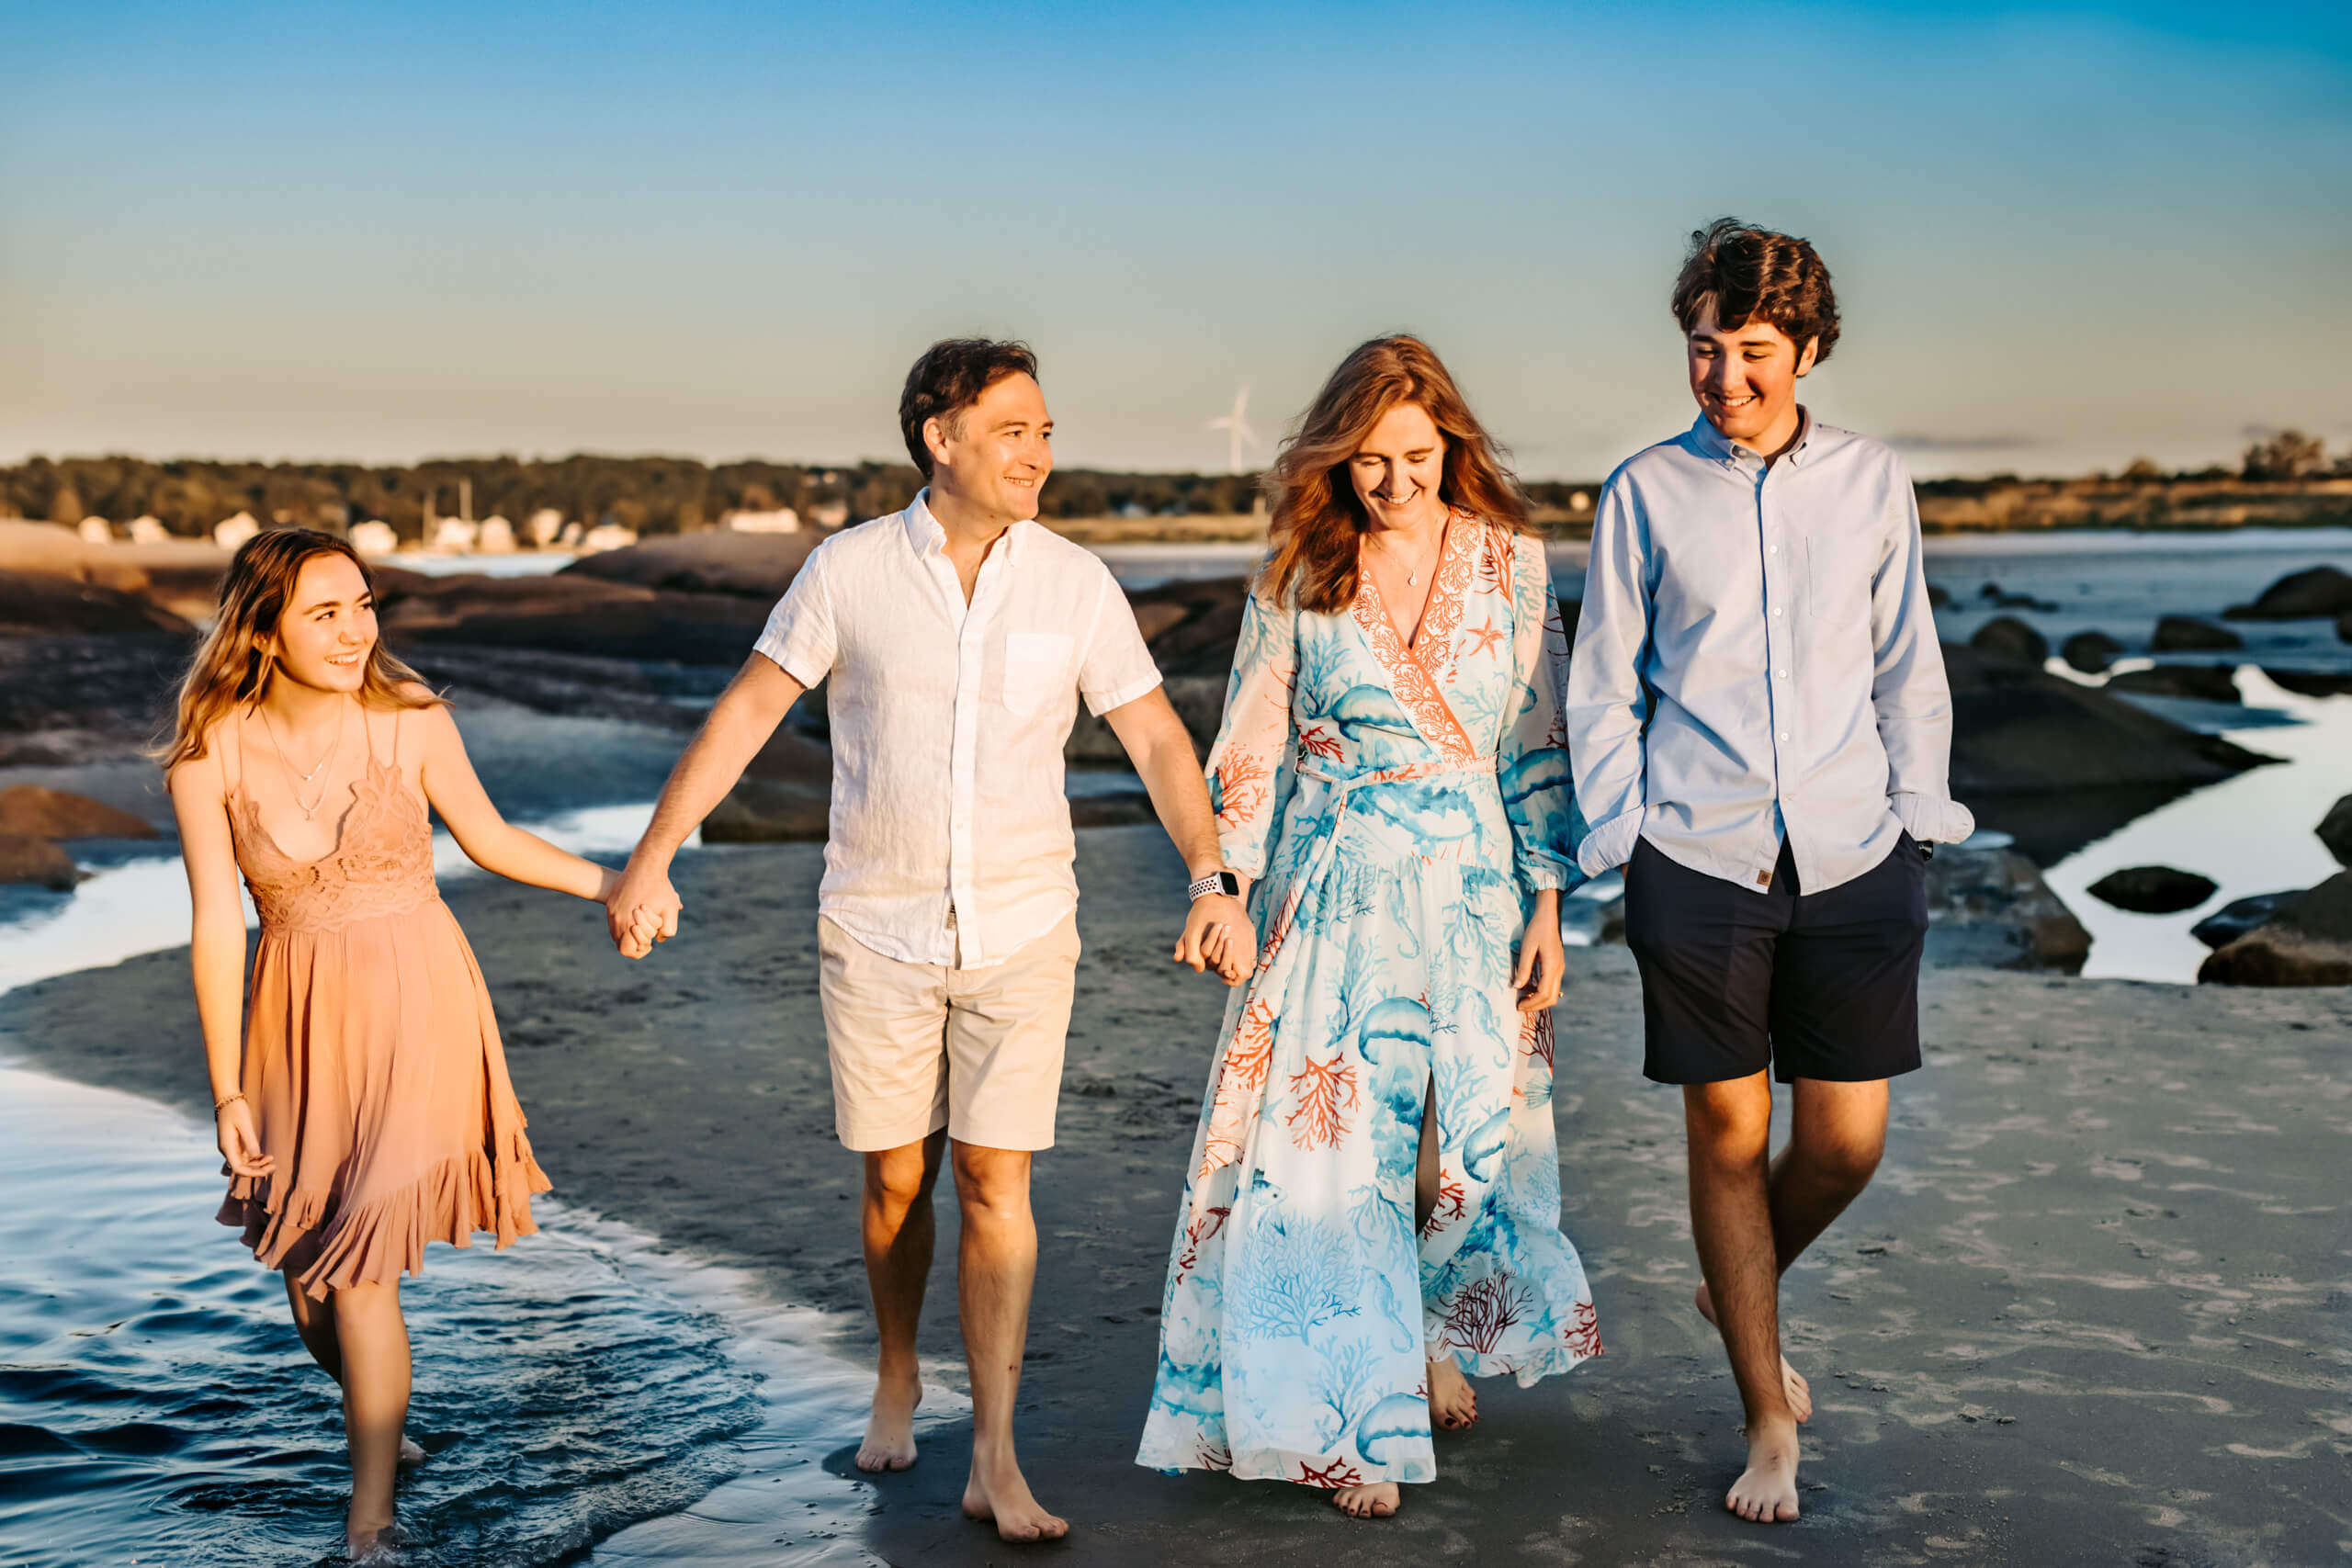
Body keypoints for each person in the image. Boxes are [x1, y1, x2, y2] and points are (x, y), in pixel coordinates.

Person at [602, 339, 1250, 1544]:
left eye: (1048, 431)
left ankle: (995, 1451)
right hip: (877, 926)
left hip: (1023, 924)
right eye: (1015, 430)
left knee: (996, 1178)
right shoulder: (846, 571)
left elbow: (1160, 737)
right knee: (897, 1176)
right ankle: (899, 1363)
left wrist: (1211, 876)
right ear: (938, 435)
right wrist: (653, 856)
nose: (1041, 454)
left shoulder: (1074, 582)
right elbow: (752, 705)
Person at [1136, 335, 1599, 1520]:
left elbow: (1535, 742)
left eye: (1415, 455)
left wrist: (1550, 899)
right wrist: (1219, 889)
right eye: (1368, 461)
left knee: (1457, 1147)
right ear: (1335, 464)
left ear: (1452, 443)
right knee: (1339, 1155)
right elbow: (1249, 737)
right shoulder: (1303, 571)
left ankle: (1431, 1334)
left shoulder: (1513, 565)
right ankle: (1354, 1415)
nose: (1394, 482)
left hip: (1473, 891)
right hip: (1332, 889)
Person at [1566, 220, 1976, 1524]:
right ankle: (1764, 1414)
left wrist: (1917, 816)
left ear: (1806, 348)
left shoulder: (1872, 481)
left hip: (1858, 850)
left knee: (1845, 1144)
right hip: (1699, 853)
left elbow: (1907, 660)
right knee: (1728, 1138)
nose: (1723, 376)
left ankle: (1734, 1279)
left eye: (1751, 350)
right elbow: (1602, 685)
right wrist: (1622, 833)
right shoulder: (1641, 494)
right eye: (1702, 347)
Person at [164, 528, 639, 1560]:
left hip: (420, 999)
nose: (354, 631)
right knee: (306, 1274)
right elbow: (213, 923)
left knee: (362, 1269)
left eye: (364, 605)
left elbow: (494, 839)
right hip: (294, 1018)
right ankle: (381, 1416)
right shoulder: (212, 756)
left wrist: (614, 883)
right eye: (325, 613)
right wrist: (226, 1089)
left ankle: (370, 1520)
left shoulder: (410, 720)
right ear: (263, 628)